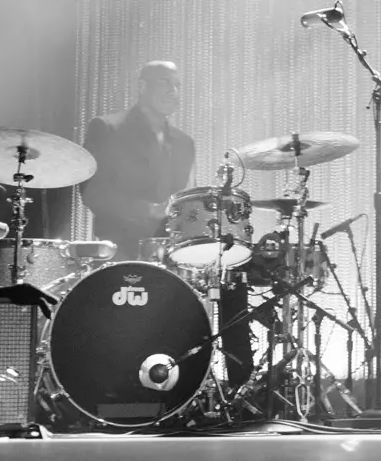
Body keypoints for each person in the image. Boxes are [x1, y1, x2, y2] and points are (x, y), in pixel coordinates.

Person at [81, 60, 253, 390]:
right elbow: (93, 192)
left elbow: (183, 199)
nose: (174, 91)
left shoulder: (184, 142)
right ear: (142, 86)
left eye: (177, 85)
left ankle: (236, 385)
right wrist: (147, 211)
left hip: (170, 245)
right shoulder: (108, 127)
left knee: (233, 275)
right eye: (165, 83)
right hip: (123, 245)